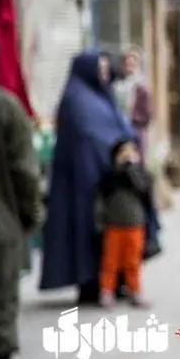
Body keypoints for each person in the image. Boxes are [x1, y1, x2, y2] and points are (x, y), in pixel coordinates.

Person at [40, 51, 160, 304]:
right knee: (93, 233)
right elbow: (88, 136)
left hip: (112, 183)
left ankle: (119, 281)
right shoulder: (76, 99)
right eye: (100, 69)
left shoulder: (101, 96)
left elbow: (119, 128)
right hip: (85, 182)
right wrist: (114, 147)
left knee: (120, 237)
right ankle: (95, 283)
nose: (105, 75)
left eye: (106, 69)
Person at [0, 34, 42, 359]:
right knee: (0, 303)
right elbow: (25, 174)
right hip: (0, 227)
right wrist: (30, 216)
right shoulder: (6, 109)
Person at [95, 140, 152, 308]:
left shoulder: (139, 175)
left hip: (135, 225)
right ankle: (107, 291)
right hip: (113, 225)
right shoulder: (110, 178)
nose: (127, 156)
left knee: (132, 261)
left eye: (131, 152)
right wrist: (99, 222)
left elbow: (144, 189)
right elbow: (99, 202)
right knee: (110, 261)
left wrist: (131, 169)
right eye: (123, 152)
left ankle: (134, 290)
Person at [113, 49, 153, 165]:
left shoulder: (142, 86)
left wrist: (134, 121)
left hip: (135, 130)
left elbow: (147, 113)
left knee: (137, 163)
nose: (128, 66)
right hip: (118, 130)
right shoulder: (116, 84)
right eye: (126, 63)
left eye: (132, 64)